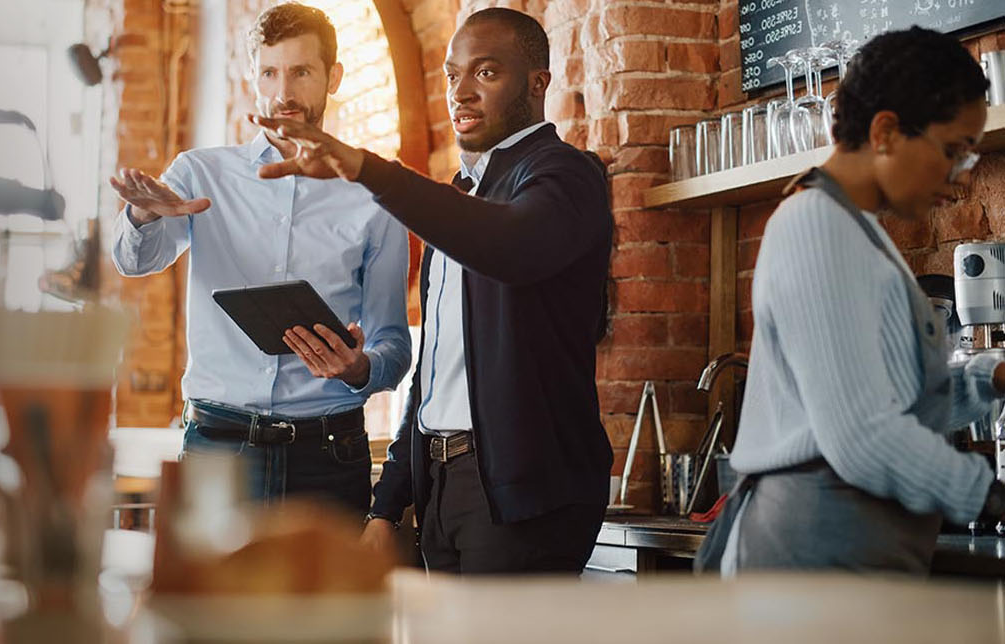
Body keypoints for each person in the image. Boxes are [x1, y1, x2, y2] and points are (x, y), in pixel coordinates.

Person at [249, 7, 614, 574]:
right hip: (443, 490)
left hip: (525, 500)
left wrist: (370, 170)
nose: (461, 92)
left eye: (486, 73)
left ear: (538, 82)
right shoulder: (462, 195)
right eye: (452, 76)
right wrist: (388, 504)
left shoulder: (566, 175)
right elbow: (437, 373)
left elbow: (511, 246)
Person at [692, 27, 1005, 575]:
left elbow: (889, 398)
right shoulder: (816, 226)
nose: (959, 179)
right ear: (885, 131)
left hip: (852, 547)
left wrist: (988, 378)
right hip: (811, 549)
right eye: (953, 152)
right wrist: (990, 494)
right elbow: (862, 436)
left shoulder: (856, 230)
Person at [109, 2, 411, 515]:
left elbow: (394, 346)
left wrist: (360, 367)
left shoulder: (372, 193)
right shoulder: (201, 174)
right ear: (254, 77)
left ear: (333, 77)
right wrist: (142, 216)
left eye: (300, 72)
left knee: (329, 599)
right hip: (217, 450)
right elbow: (133, 262)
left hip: (328, 456)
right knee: (207, 598)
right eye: (269, 73)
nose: (283, 93)